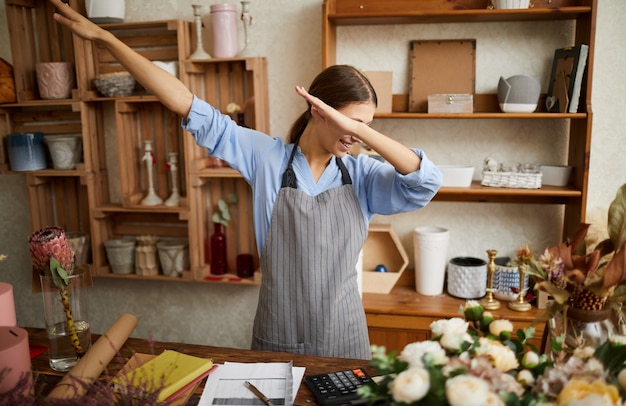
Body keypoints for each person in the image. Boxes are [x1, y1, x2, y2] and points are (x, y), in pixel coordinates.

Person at [49, 0, 442, 360]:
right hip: (278, 335)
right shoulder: (266, 157)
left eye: (367, 126)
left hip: (344, 339)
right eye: (351, 122)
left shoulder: (363, 174)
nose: (357, 135)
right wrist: (104, 38)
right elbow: (185, 102)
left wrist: (362, 130)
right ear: (318, 111)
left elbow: (425, 183)